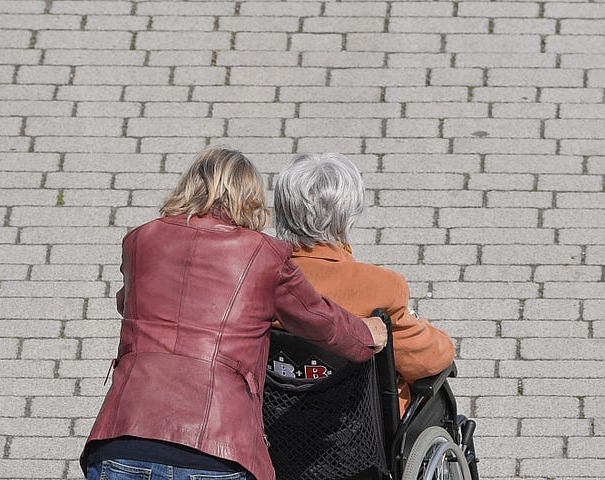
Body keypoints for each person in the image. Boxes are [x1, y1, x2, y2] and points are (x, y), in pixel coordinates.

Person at [81, 148, 388, 480]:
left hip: (123, 438)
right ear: (251, 197)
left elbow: (126, 302)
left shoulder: (140, 239)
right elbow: (319, 321)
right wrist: (366, 334)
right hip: (218, 450)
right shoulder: (266, 256)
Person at [273, 152, 455, 413]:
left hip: (277, 429)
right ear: (349, 215)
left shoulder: (258, 279)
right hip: (363, 438)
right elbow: (428, 361)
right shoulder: (380, 287)